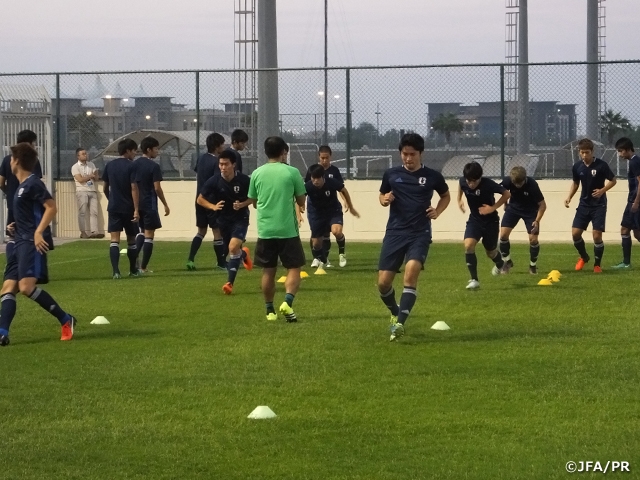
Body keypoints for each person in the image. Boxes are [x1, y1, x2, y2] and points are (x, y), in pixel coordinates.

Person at [0, 143, 76, 346]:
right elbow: (31, 214)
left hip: (30, 243)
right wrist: (15, 226)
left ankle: (65, 319)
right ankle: (2, 332)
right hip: (18, 241)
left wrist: (38, 232)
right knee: (8, 288)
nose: (9, 161)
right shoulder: (20, 187)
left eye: (11, 158)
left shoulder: (33, 183)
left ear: (15, 161)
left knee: (25, 287)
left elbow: (51, 207)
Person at [378, 133, 450, 341]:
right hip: (395, 232)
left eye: (412, 154)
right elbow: (382, 195)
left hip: (420, 232)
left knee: (410, 273)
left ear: (421, 154)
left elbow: (445, 196)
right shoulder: (391, 174)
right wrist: (384, 200)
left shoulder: (433, 176)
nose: (408, 159)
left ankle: (400, 323)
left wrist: (437, 210)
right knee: (383, 283)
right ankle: (395, 311)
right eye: (404, 154)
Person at [246, 136, 306, 322]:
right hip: (287, 229)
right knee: (294, 268)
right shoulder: (292, 172)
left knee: (268, 271)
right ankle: (287, 302)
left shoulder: (256, 173)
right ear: (283, 152)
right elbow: (301, 200)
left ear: (266, 152)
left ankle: (269, 310)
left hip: (266, 230)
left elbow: (254, 201)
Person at [197, 150, 253, 294]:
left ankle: (229, 283)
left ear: (233, 164)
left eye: (226, 164)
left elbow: (254, 198)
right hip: (223, 220)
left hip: (241, 218)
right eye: (221, 164)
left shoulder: (244, 180)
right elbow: (200, 199)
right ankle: (244, 255)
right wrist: (213, 206)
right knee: (231, 249)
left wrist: (242, 204)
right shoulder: (214, 181)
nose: (223, 167)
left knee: (233, 247)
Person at [564, 138, 617, 273]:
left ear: (592, 152)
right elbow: (576, 183)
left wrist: (602, 191)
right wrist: (569, 196)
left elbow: (613, 180)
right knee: (575, 234)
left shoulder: (601, 165)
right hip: (584, 204)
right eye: (582, 152)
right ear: (579, 152)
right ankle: (584, 257)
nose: (585, 155)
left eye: (587, 152)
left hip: (599, 205)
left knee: (596, 235)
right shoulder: (577, 167)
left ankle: (597, 265)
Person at [458, 162, 511, 289]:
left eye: (474, 182)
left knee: (490, 252)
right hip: (474, 220)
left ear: (480, 178)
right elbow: (461, 184)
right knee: (468, 245)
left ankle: (500, 263)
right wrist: (459, 200)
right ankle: (474, 280)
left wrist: (493, 208)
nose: (470, 184)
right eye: (468, 181)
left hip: (491, 222)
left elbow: (507, 194)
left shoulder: (488, 184)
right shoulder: (463, 181)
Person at [305, 164, 359, 273]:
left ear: (323, 177)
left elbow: (343, 190)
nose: (315, 181)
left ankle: (342, 253)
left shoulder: (331, 182)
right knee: (316, 243)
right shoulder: (308, 186)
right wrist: (298, 212)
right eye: (313, 178)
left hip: (333, 211)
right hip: (317, 214)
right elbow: (300, 197)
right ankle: (323, 260)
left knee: (336, 231)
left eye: (318, 178)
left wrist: (350, 206)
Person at [0, 129, 43, 258]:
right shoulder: (33, 161)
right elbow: (37, 184)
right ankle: (26, 263)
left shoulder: (7, 159)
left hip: (13, 202)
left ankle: (13, 264)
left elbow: (1, 182)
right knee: (28, 234)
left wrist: (9, 192)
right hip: (28, 206)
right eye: (33, 143)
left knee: (13, 235)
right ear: (29, 144)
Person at [186, 133, 227, 270]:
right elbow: (217, 181)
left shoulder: (202, 158)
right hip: (212, 201)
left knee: (201, 231)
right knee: (217, 231)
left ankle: (190, 259)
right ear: (217, 146)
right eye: (222, 144)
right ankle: (221, 263)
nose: (224, 146)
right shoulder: (217, 162)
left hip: (199, 199)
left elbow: (198, 172)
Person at [102, 138, 141, 279]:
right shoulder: (132, 166)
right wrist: (136, 209)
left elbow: (105, 187)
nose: (135, 154)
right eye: (134, 151)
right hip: (128, 208)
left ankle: (116, 272)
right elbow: (134, 188)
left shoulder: (110, 165)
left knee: (114, 240)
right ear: (128, 151)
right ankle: (132, 270)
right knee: (131, 239)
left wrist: (111, 199)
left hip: (114, 207)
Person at [304, 145, 348, 267]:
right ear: (319, 157)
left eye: (326, 158)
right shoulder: (313, 170)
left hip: (330, 207)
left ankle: (325, 259)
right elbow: (306, 187)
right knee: (316, 234)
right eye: (322, 158)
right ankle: (316, 258)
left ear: (330, 157)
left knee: (329, 233)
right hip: (315, 208)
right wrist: (301, 206)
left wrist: (345, 201)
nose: (324, 160)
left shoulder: (334, 171)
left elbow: (341, 189)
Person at [499, 166, 547, 274]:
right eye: (515, 184)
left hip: (530, 211)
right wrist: (505, 204)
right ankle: (507, 262)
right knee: (503, 235)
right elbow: (502, 191)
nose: (517, 186)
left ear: (525, 179)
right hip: (513, 209)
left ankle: (532, 266)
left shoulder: (532, 185)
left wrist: (537, 221)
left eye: (519, 184)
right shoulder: (508, 180)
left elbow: (543, 205)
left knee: (533, 239)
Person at [133, 137, 170, 273]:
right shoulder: (154, 166)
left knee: (141, 231)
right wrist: (165, 204)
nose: (157, 151)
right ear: (148, 150)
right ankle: (143, 267)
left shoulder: (134, 164)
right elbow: (157, 188)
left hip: (136, 203)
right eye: (156, 149)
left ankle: (135, 263)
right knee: (149, 234)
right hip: (149, 203)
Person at [612, 137, 640, 268]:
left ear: (628, 150)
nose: (619, 154)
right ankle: (626, 263)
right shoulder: (633, 161)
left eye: (620, 151)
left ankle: (626, 263)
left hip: (635, 202)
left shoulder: (635, 162)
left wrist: (636, 202)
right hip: (632, 201)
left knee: (632, 231)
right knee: (629, 231)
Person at [71, 147, 102, 238]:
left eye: (86, 153)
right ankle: (83, 232)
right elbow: (80, 179)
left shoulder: (91, 164)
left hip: (92, 190)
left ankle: (94, 231)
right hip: (82, 191)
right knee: (82, 212)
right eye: (83, 154)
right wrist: (90, 176)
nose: (86, 155)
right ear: (78, 156)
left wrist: (94, 174)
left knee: (94, 212)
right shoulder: (75, 167)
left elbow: (96, 177)